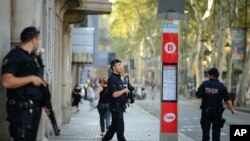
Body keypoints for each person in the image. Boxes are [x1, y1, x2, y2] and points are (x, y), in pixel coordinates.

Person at [1, 26, 47, 141]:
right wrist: (31, 78)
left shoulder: (33, 58)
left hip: (34, 110)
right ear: (33, 40)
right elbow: (6, 81)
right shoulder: (14, 56)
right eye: (39, 40)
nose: (39, 42)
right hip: (21, 112)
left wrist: (45, 101)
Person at [196, 67, 239, 141]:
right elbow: (228, 101)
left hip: (206, 112)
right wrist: (232, 110)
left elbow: (197, 95)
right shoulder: (222, 86)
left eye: (208, 74)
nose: (208, 76)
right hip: (217, 113)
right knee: (216, 132)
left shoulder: (205, 84)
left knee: (205, 132)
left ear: (211, 75)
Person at [102, 59, 130, 141]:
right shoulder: (112, 79)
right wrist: (124, 90)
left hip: (120, 108)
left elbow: (120, 92)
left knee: (111, 131)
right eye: (119, 65)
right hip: (116, 108)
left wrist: (127, 97)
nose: (121, 67)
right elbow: (114, 94)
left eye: (121, 65)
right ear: (113, 68)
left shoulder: (119, 79)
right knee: (120, 134)